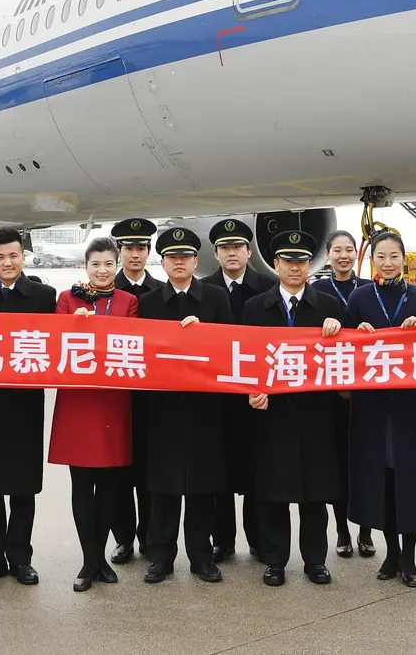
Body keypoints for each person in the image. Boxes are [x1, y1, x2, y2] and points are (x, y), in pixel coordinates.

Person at [243, 231, 345, 587]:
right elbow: (244, 359)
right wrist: (250, 393)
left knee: (314, 496)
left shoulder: (329, 307)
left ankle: (315, 561)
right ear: (276, 265)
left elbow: (345, 359)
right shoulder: (255, 308)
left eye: (301, 262)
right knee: (274, 494)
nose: (295, 268)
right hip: (272, 416)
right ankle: (275, 561)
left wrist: (340, 329)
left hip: (315, 415)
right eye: (288, 262)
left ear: (309, 265)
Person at [135, 227, 233, 584]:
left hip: (205, 409)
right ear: (162, 263)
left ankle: (201, 557)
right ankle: (160, 557)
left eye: (186, 256)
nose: (179, 262)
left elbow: (230, 347)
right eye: (172, 257)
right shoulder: (147, 303)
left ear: (196, 261)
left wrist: (203, 330)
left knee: (201, 489)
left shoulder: (216, 298)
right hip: (162, 409)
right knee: (162, 489)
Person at [343, 230, 416, 588]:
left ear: (404, 258)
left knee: (409, 479)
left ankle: (410, 558)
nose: (387, 263)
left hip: (409, 406)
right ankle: (390, 553)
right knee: (380, 479)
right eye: (381, 257)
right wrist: (357, 332)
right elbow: (344, 347)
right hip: (371, 406)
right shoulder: (359, 297)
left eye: (394, 256)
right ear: (373, 261)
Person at [0, 229, 58, 587]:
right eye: (0, 257)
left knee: (23, 486)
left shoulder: (44, 296)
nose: (7, 263)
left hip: (25, 405)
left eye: (14, 255)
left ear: (23, 257)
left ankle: (20, 559)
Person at [50, 238, 138, 591]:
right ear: (85, 266)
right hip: (78, 402)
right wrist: (75, 324)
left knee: (111, 488)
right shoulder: (67, 299)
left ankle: (100, 557)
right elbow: (55, 340)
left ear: (116, 265)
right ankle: (90, 560)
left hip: (113, 403)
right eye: (95, 264)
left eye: (107, 264)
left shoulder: (128, 301)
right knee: (82, 485)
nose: (102, 270)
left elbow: (131, 343)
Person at [209, 218, 273, 562]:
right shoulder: (202, 288)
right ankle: (222, 540)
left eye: (238, 247)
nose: (232, 253)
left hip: (255, 397)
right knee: (219, 470)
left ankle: (259, 540)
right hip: (216, 398)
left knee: (254, 472)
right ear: (216, 254)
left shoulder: (269, 287)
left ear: (249, 252)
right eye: (224, 248)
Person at [310, 230, 376, 559]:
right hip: (332, 393)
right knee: (337, 464)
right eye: (337, 250)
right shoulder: (318, 290)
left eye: (349, 250)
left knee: (363, 462)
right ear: (327, 254)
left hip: (364, 391)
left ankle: (365, 529)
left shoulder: (368, 289)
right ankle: (342, 530)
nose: (344, 255)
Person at [109, 217, 161, 565]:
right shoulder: (100, 292)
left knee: (149, 472)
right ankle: (124, 538)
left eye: (141, 248)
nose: (135, 255)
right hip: (114, 398)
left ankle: (151, 537)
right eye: (129, 248)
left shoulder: (160, 293)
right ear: (120, 252)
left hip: (150, 399)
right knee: (118, 474)